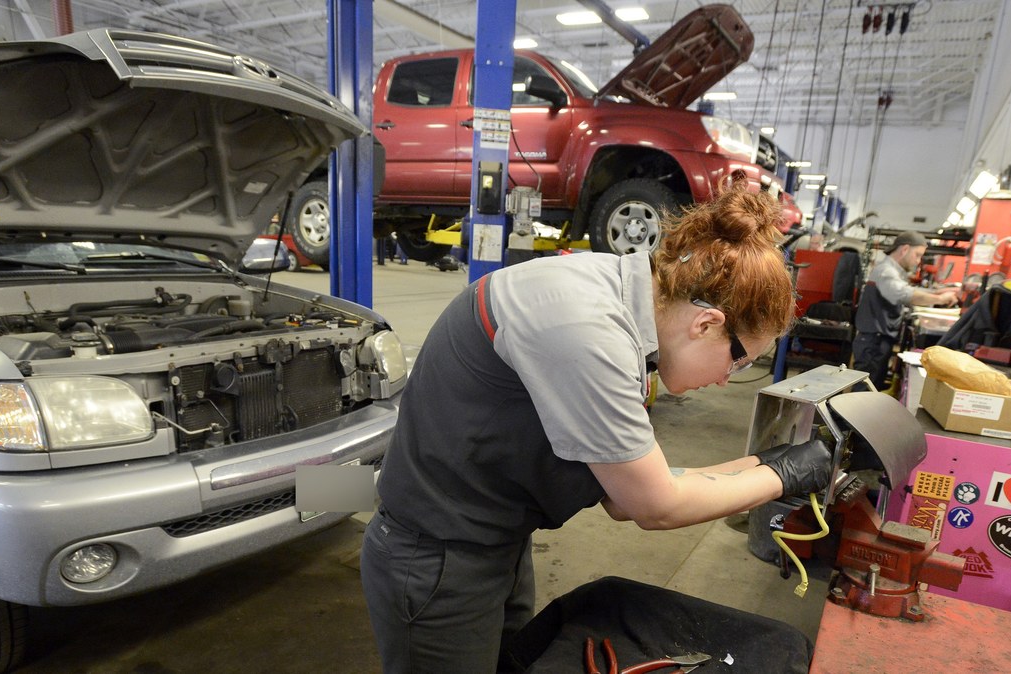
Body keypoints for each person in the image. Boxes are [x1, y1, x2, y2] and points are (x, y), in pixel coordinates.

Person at [360, 186, 833, 673]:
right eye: (737, 360)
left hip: (495, 538)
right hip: (438, 557)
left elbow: (628, 488)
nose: (722, 379)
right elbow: (649, 505)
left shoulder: (620, 303)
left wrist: (765, 464)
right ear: (708, 323)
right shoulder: (588, 331)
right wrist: (786, 475)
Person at [852, 230, 960, 391]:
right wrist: (939, 299)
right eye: (917, 255)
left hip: (878, 339)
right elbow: (904, 294)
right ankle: (846, 417)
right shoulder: (886, 271)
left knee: (871, 389)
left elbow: (906, 289)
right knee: (863, 392)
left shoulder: (893, 271)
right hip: (873, 342)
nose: (918, 261)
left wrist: (936, 293)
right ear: (904, 249)